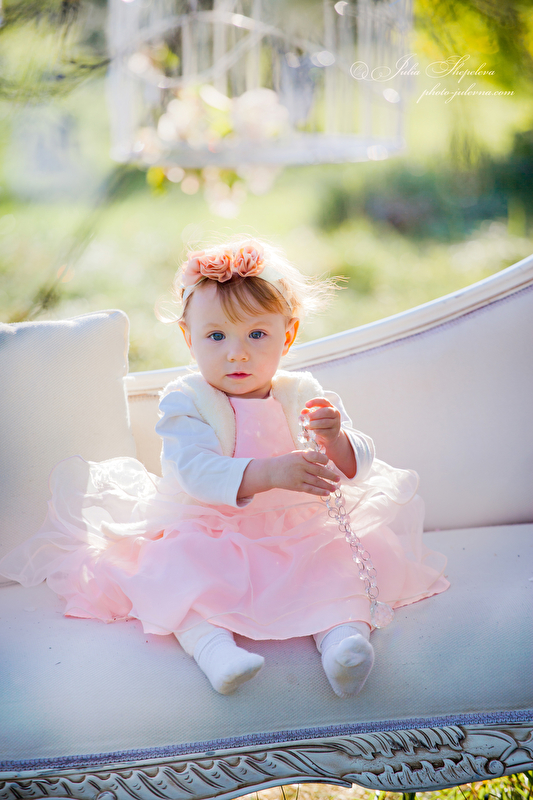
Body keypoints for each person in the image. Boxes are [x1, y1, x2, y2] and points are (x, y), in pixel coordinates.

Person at [0, 238, 449, 697]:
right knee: (176, 572)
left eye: (257, 334)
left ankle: (344, 644)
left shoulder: (300, 392)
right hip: (210, 527)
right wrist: (270, 473)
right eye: (216, 336)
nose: (237, 353)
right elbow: (193, 470)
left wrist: (335, 439)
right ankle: (215, 651)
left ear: (287, 335)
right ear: (188, 337)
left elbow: (358, 466)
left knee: (337, 567)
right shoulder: (187, 399)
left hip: (298, 528)